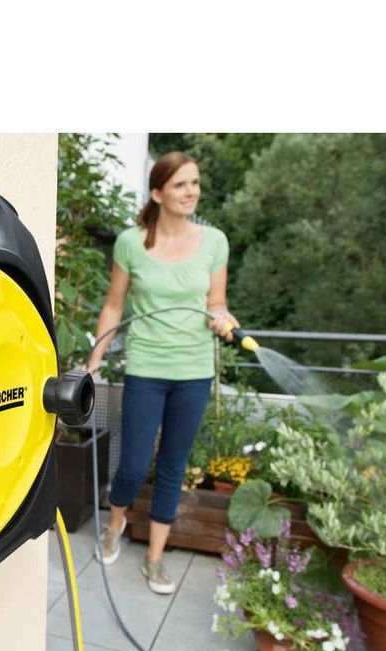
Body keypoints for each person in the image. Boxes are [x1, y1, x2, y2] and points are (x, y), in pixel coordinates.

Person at [86, 151, 239, 594]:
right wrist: (95, 358)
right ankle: (115, 525)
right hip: (146, 368)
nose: (191, 192)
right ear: (157, 193)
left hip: (193, 371)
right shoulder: (131, 243)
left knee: (173, 465)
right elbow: (114, 304)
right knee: (133, 464)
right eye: (180, 185)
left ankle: (154, 559)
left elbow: (216, 302)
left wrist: (222, 318)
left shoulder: (215, 242)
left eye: (195, 183)